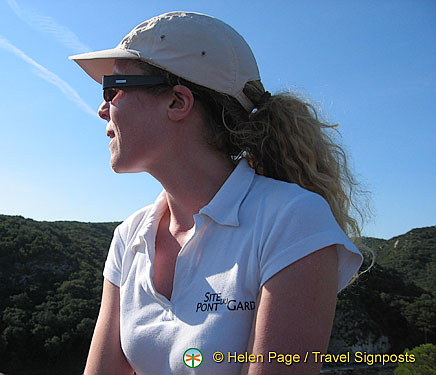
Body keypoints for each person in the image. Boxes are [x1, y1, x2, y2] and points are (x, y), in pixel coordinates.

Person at [70, 11, 364, 375]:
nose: (102, 109)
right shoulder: (130, 237)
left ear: (178, 102)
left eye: (113, 89)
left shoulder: (292, 221)